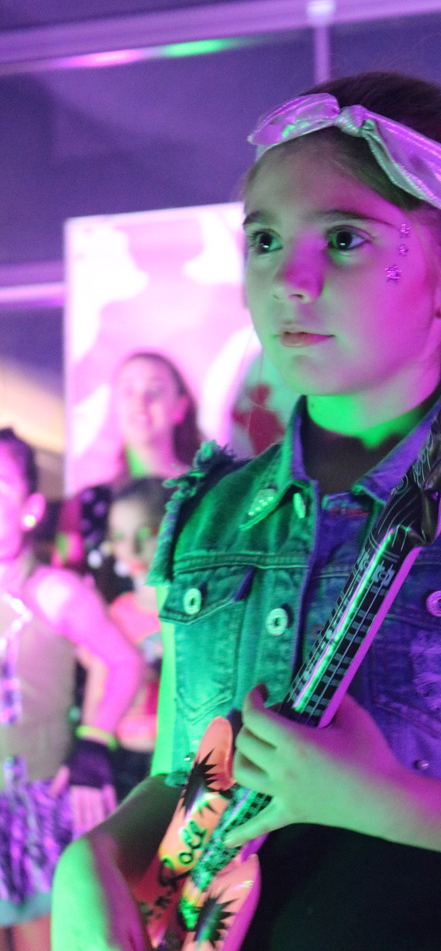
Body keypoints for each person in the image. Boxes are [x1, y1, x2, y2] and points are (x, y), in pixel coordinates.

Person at [51, 70, 441, 951]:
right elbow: (196, 780)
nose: (290, 278)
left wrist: (384, 801)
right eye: (265, 239)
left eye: (345, 239)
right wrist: (99, 861)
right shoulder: (210, 513)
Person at [0, 427, 143, 951]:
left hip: (33, 808)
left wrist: (93, 741)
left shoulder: (53, 591)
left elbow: (124, 661)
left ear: (31, 510)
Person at [54, 350, 201, 599]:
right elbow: (62, 593)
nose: (140, 402)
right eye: (128, 391)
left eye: (155, 390)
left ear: (180, 406)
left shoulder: (208, 492)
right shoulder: (85, 504)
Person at [104, 478, 168, 801]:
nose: (131, 549)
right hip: (124, 753)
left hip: (171, 751)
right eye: (119, 536)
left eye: (146, 533)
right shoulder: (117, 612)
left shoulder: (183, 611)